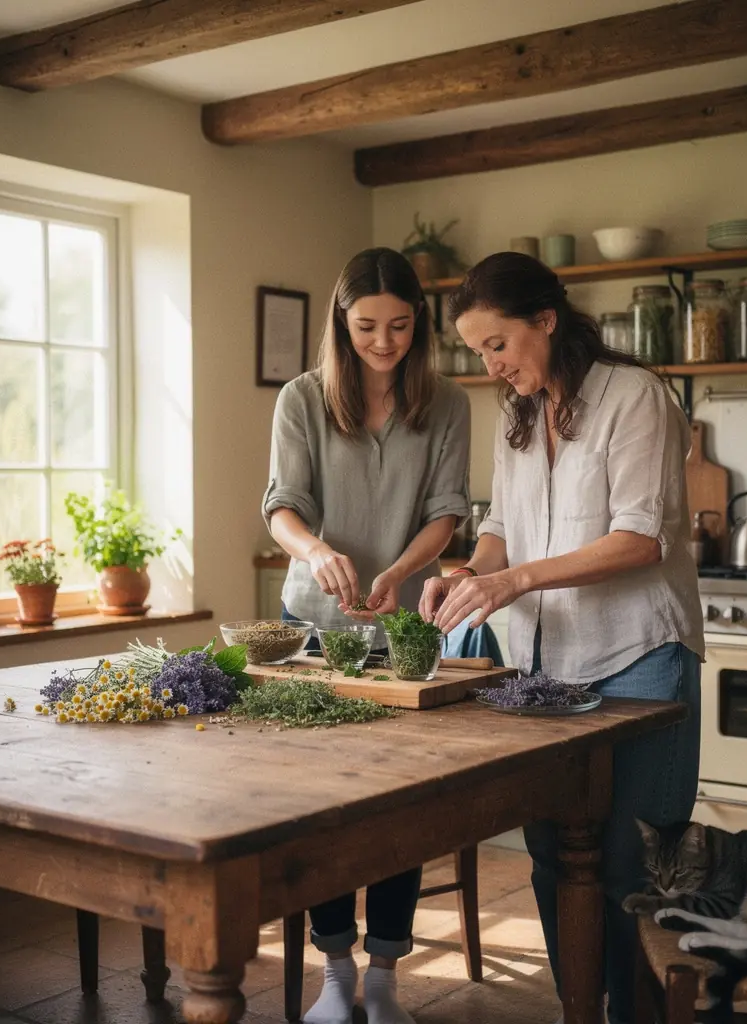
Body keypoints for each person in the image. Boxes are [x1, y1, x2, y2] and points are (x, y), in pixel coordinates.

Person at [418, 252, 704, 1024]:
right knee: (552, 855)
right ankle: (586, 1006)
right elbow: (501, 532)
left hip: (639, 655)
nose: (491, 365)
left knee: (628, 866)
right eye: (479, 351)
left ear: (546, 320)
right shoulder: (517, 416)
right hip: (545, 667)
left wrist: (510, 584)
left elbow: (639, 540)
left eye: (499, 345)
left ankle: (636, 1013)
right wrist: (464, 574)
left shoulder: (633, 396)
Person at [263, 246, 471, 1024]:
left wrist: (402, 573)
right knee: (321, 805)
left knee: (398, 807)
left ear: (421, 323)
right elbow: (281, 506)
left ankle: (382, 975)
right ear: (341, 323)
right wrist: (317, 551)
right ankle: (336, 975)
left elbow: (447, 512)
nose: (384, 342)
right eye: (366, 327)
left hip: (406, 627)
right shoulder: (302, 399)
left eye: (400, 326)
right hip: (312, 628)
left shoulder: (447, 403)